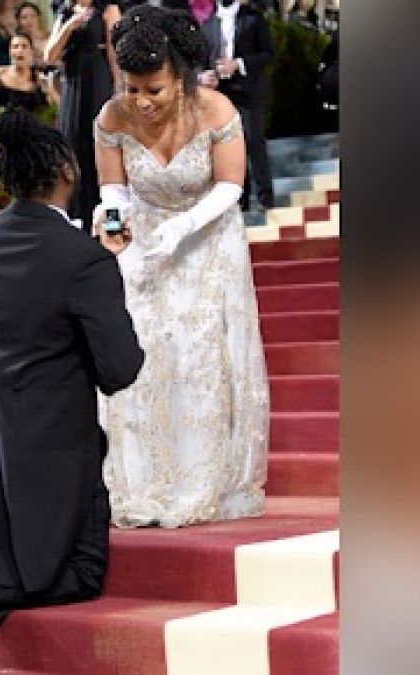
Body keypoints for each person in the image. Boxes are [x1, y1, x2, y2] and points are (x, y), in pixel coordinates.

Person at [0, 107, 144, 673]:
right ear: (65, 169)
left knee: (18, 556)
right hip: (57, 443)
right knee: (78, 576)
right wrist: (104, 269)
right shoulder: (83, 258)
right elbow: (120, 369)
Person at [93, 5, 269, 527]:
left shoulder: (215, 111)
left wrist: (180, 229)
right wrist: (115, 221)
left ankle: (203, 477)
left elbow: (231, 187)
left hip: (208, 241)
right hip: (145, 241)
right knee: (144, 352)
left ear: (181, 78)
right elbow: (114, 187)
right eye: (133, 89)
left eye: (155, 90)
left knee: (199, 355)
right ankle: (146, 477)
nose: (142, 102)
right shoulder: (111, 116)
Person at [46, 0, 122, 222]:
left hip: (97, 82)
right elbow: (49, 56)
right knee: (71, 149)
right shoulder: (65, 12)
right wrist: (69, 25)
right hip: (72, 84)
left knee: (100, 150)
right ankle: (74, 220)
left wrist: (119, 93)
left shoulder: (108, 9)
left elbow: (114, 54)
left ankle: (109, 225)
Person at [201, 0, 275, 210]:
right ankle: (240, 198)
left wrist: (239, 64)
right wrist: (205, 75)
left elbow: (268, 53)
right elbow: (201, 60)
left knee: (253, 139)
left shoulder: (253, 18)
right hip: (221, 93)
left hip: (248, 89)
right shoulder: (208, 24)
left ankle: (265, 195)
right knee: (230, 145)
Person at [0, 32, 60, 112]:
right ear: (10, 52)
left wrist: (50, 90)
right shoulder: (0, 74)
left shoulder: (39, 79)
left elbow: (58, 107)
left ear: (31, 51)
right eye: (15, 47)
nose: (19, 50)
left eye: (24, 47)